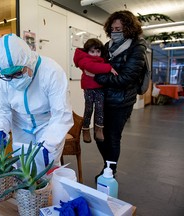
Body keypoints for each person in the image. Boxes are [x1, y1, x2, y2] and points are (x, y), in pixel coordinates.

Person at [0, 33, 73, 171]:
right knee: (23, 169)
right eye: (8, 76)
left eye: (18, 73)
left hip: (47, 124)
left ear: (28, 60)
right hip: (20, 124)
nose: (14, 79)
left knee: (47, 171)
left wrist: (49, 143)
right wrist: (0, 128)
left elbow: (61, 114)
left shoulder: (51, 72)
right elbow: (0, 109)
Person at [93, 10, 147, 180]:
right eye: (113, 28)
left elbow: (125, 78)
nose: (115, 32)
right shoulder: (107, 46)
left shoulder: (136, 48)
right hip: (102, 99)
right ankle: (108, 164)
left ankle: (110, 171)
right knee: (99, 135)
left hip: (121, 101)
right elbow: (94, 64)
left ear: (129, 29)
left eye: (120, 29)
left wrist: (99, 76)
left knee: (113, 138)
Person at [73, 38, 118, 143]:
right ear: (87, 51)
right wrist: (108, 68)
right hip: (89, 88)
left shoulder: (101, 61)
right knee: (89, 109)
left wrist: (103, 68)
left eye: (98, 51)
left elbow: (96, 68)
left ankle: (99, 129)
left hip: (99, 87)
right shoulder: (84, 59)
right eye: (92, 51)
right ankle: (85, 129)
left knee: (99, 108)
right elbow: (92, 67)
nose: (96, 54)